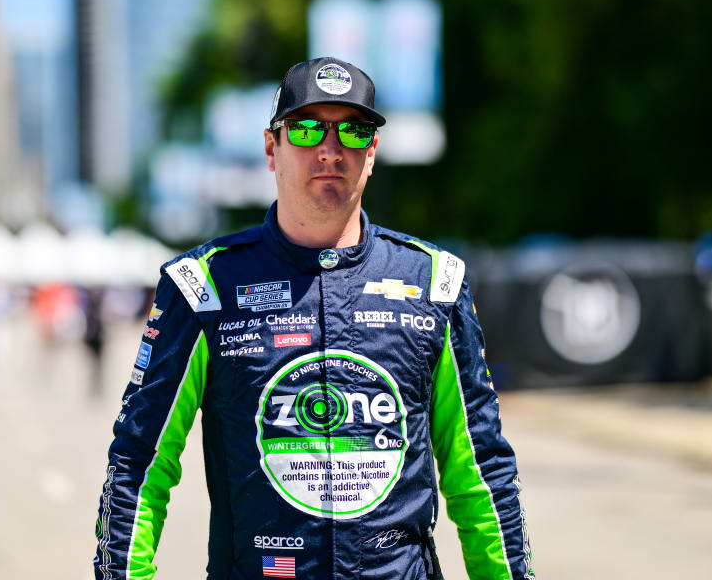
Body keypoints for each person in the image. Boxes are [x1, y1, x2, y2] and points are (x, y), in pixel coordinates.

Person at [93, 58, 534, 579]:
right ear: (271, 148)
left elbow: (479, 470)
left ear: (372, 152)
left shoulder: (435, 281)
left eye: (353, 130)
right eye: (306, 129)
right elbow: (140, 464)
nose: (330, 149)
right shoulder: (203, 285)